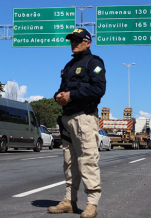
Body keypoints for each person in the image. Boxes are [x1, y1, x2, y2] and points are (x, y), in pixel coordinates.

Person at [48, 28, 106, 218]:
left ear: (88, 42)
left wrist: (71, 95)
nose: (74, 43)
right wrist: (58, 97)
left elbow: (98, 89)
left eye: (78, 40)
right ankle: (69, 201)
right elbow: (62, 89)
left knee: (88, 160)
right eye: (72, 40)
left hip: (84, 118)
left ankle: (92, 204)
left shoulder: (94, 62)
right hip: (67, 119)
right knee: (69, 162)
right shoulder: (69, 65)